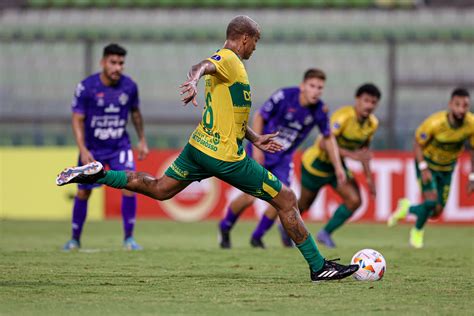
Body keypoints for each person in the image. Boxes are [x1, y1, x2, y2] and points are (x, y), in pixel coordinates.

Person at [56, 16, 358, 281]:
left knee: (160, 188)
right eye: (255, 42)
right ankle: (319, 267)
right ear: (244, 39)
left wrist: (255, 138)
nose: (255, 47)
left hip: (199, 147)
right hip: (226, 157)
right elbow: (203, 64)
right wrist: (194, 79)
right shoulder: (229, 59)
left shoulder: (230, 67)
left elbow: (232, 111)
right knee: (287, 199)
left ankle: (99, 175)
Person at [218, 68, 346, 249]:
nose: (316, 91)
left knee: (282, 198)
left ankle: (257, 237)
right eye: (312, 86)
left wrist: (339, 167)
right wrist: (257, 148)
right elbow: (259, 116)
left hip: (283, 158)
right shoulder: (284, 96)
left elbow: (328, 137)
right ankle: (225, 227)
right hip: (261, 149)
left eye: (320, 87)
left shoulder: (319, 110)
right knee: (249, 198)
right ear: (303, 86)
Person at [63, 43, 149, 251]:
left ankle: (129, 238)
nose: (117, 67)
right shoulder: (87, 87)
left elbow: (135, 113)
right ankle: (75, 239)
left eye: (121, 63)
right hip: (93, 149)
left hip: (120, 146)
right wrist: (83, 150)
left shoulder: (129, 86)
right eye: (113, 62)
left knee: (130, 186)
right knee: (84, 193)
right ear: (103, 62)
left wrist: (142, 139)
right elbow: (77, 119)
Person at [294, 84, 381, 248]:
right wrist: (351, 155)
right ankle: (286, 226)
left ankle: (325, 233)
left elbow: (364, 152)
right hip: (316, 165)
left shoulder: (372, 124)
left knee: (354, 200)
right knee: (304, 204)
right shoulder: (342, 117)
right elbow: (322, 144)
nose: (369, 106)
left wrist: (369, 179)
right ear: (357, 100)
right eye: (366, 101)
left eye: (373, 102)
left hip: (336, 168)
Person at [388, 88, 474, 248]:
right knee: (431, 201)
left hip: (447, 169)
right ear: (450, 104)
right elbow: (417, 144)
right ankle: (417, 233)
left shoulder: (471, 125)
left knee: (436, 211)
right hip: (428, 165)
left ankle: (407, 208)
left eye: (465, 106)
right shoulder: (435, 123)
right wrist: (423, 167)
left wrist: (472, 177)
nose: (461, 109)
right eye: (458, 105)